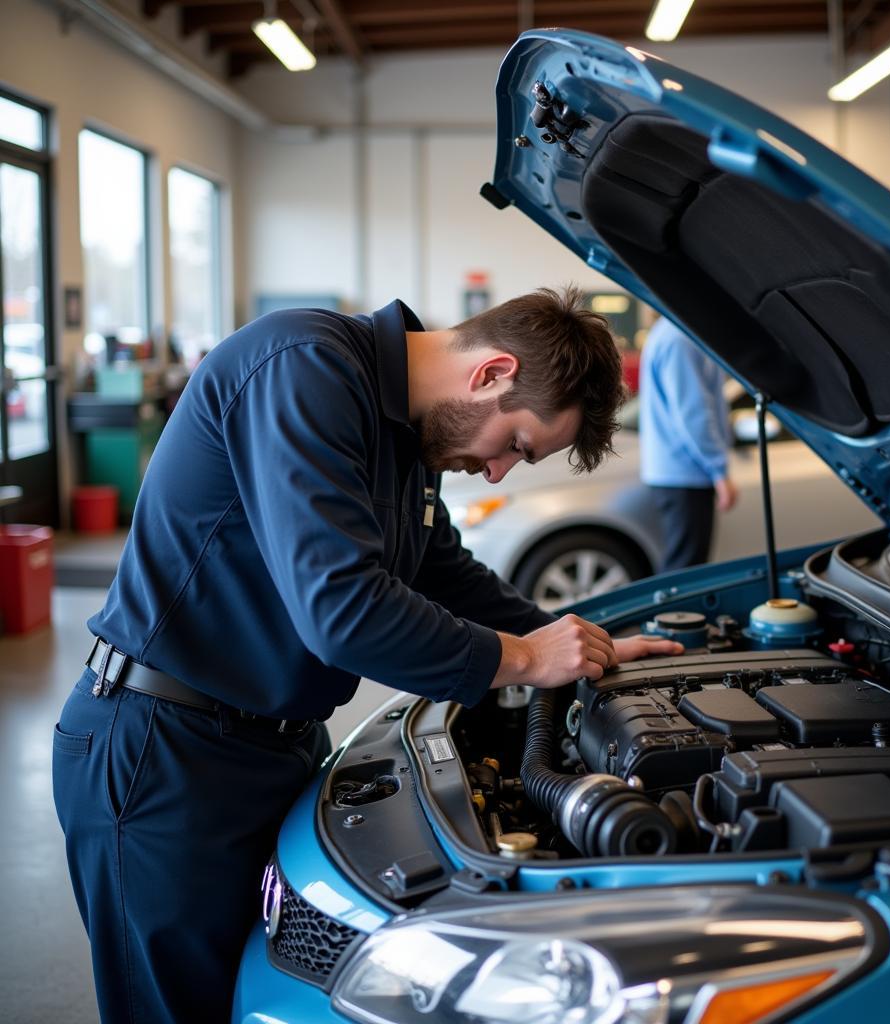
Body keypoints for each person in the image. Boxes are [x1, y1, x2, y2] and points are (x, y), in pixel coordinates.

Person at [52, 286, 684, 1023]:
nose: (500, 471)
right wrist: (522, 658)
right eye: (515, 445)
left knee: (253, 1001)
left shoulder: (408, 437)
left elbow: (442, 571)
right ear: (492, 373)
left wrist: (575, 647)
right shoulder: (304, 368)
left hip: (268, 748)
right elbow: (342, 609)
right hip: (165, 754)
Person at [639, 316, 739, 571]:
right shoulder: (680, 338)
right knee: (685, 569)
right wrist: (719, 470)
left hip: (676, 471)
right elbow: (694, 413)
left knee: (683, 563)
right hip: (685, 473)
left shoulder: (670, 332)